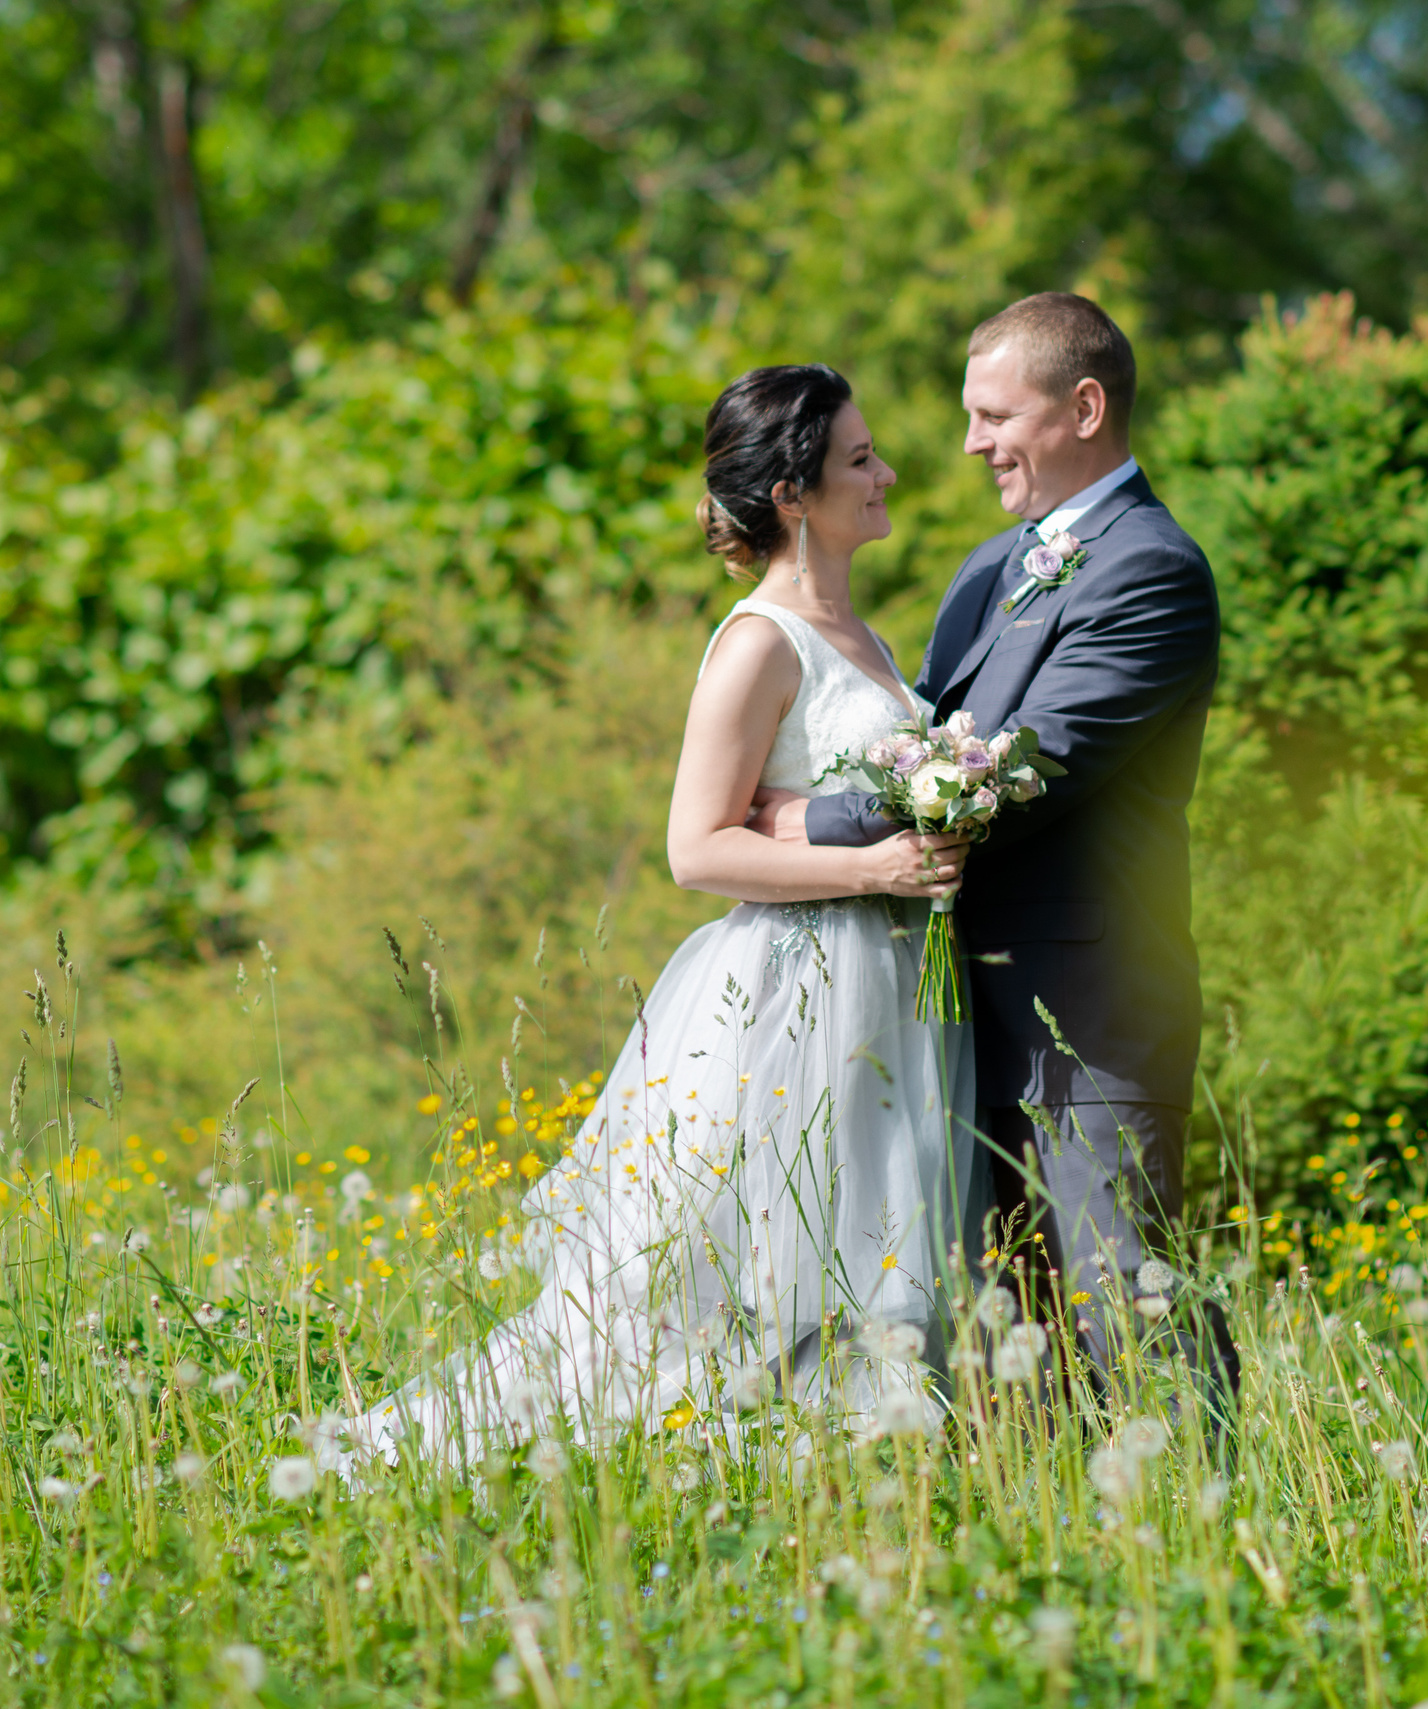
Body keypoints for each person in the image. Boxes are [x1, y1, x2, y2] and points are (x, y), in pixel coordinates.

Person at [343, 364, 981, 1468]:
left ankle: (847, 1467)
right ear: (792, 493)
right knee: (734, 1274)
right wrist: (876, 867)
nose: (886, 474)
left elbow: (806, 804)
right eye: (860, 459)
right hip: (798, 991)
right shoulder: (757, 642)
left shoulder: (865, 635)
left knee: (865, 1254)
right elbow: (697, 846)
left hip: (893, 988)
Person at [751, 293, 1232, 1405]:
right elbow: (927, 742)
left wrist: (787, 818)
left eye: (992, 415)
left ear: (1085, 406)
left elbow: (1010, 774)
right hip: (953, 1015)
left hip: (1088, 1013)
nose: (969, 443)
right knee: (1003, 1336)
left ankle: (1216, 1526)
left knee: (1125, 1295)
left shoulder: (1150, 570)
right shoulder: (986, 569)